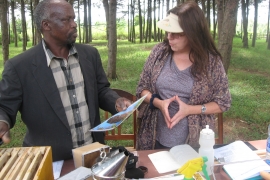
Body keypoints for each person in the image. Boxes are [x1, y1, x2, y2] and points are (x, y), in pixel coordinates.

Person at [0, 0, 131, 161]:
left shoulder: (90, 55)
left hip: (92, 153)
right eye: (66, 20)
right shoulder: (19, 67)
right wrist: (2, 121)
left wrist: (115, 101)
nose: (74, 24)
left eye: (74, 19)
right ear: (46, 25)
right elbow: (4, 106)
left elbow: (101, 90)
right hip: (50, 160)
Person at [136, 2, 231, 150]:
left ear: (193, 33)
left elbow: (223, 102)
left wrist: (190, 109)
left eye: (176, 34)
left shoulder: (211, 61)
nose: (169, 37)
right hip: (153, 138)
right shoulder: (159, 53)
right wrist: (158, 103)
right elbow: (142, 88)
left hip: (194, 143)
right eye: (168, 32)